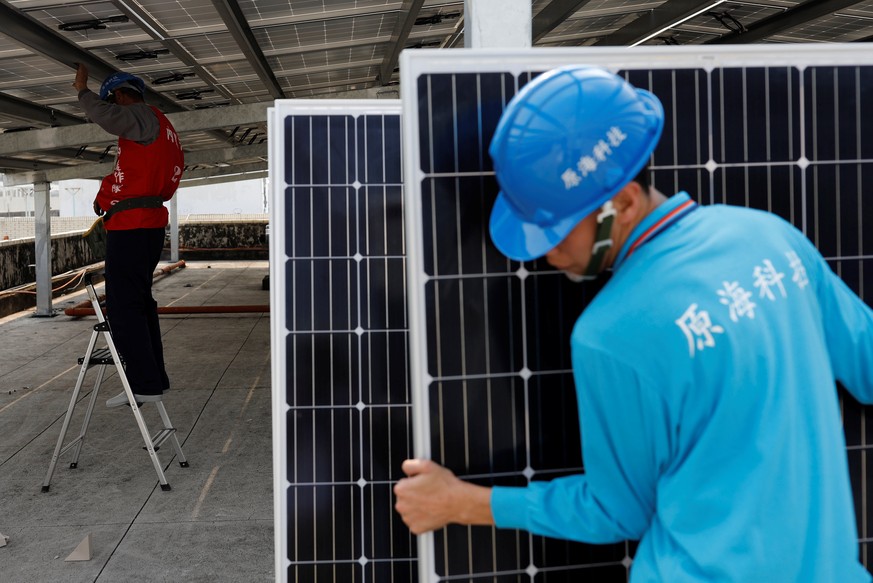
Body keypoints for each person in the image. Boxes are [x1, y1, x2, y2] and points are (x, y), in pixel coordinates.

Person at [393, 65, 873, 582]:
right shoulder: (773, 238)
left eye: (554, 231)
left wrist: (460, 502)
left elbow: (618, 510)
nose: (545, 254)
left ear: (621, 203)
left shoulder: (608, 334)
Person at [72, 64, 184, 407]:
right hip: (143, 222)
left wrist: (82, 91)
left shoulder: (140, 116)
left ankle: (144, 383)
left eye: (113, 102)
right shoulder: (160, 129)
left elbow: (105, 115)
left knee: (122, 306)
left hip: (133, 226)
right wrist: (105, 198)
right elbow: (133, 176)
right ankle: (154, 379)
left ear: (120, 96)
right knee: (140, 302)